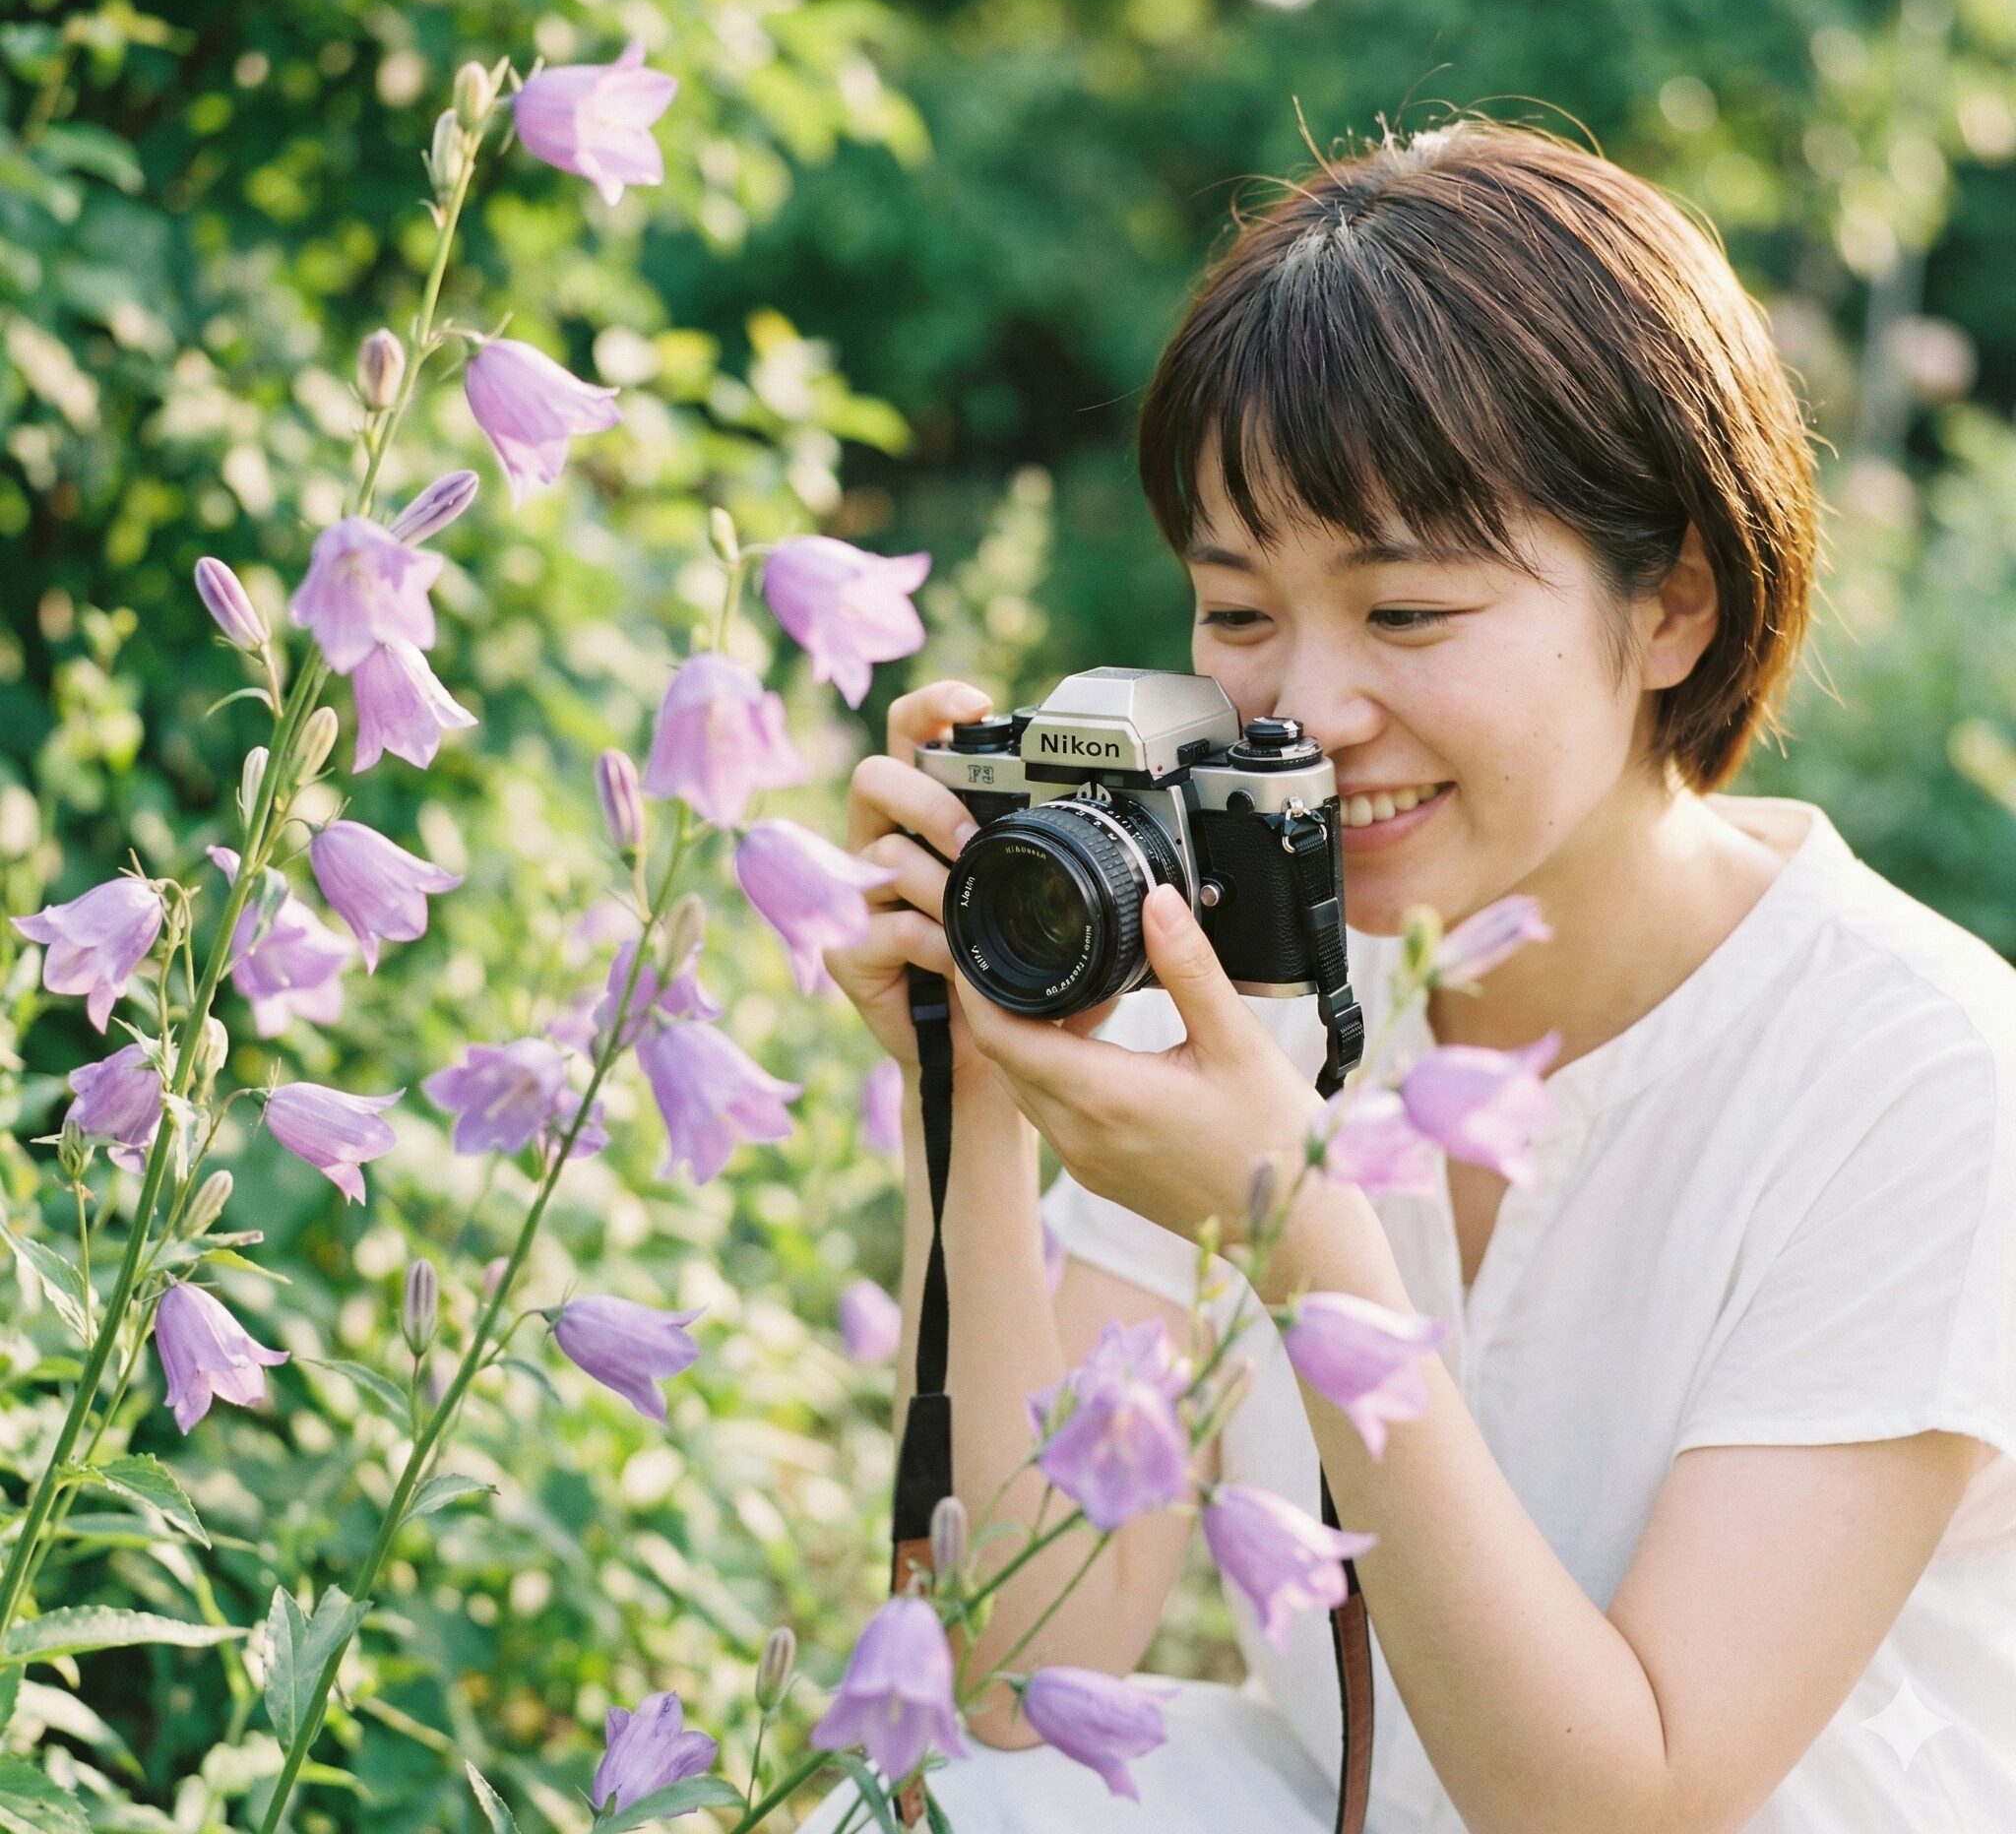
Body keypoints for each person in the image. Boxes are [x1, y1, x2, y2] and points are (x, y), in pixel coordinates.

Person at [804, 120, 2016, 1834]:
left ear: (1671, 605)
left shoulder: (1916, 1068)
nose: (1306, 709)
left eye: (1410, 615)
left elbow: (1625, 1808)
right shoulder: (1242, 970)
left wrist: (1299, 1235)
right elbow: (1016, 1670)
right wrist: (977, 1107)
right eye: (1238, 613)